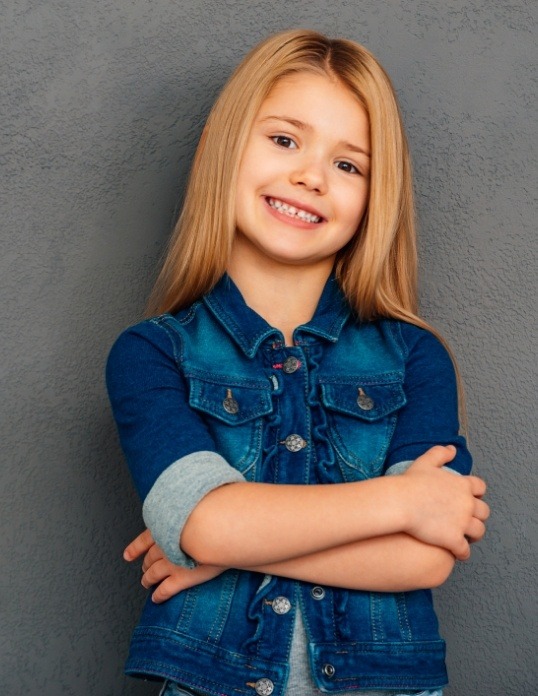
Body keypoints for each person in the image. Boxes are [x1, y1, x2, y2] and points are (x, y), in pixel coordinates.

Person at [106, 29, 489, 696]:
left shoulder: (414, 358)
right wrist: (402, 499)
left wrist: (231, 558)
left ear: (375, 197)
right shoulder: (151, 354)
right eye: (285, 140)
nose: (311, 176)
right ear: (226, 148)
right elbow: (207, 523)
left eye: (350, 165)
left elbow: (425, 557)